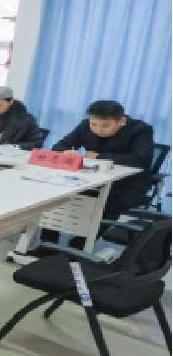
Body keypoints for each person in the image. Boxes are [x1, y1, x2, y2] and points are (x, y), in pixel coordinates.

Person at [32, 100, 154, 253]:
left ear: (121, 121)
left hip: (126, 183)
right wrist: (66, 152)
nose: (98, 130)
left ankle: (79, 246)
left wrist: (98, 156)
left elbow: (140, 159)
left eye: (105, 126)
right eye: (94, 125)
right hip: (91, 178)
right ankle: (48, 243)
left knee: (110, 201)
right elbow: (59, 146)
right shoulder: (85, 126)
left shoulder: (141, 130)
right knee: (56, 194)